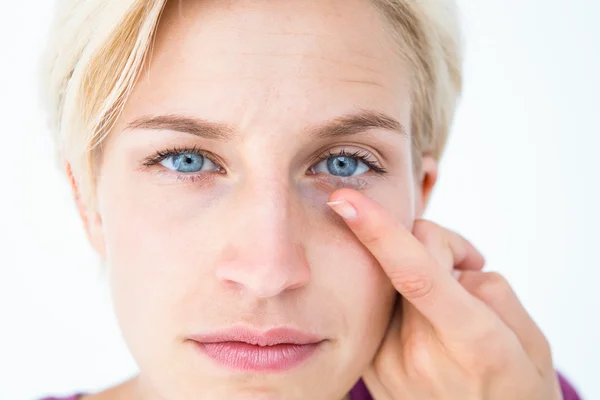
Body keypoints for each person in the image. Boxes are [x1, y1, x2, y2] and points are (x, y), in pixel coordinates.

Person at [40, 0, 581, 399]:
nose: (269, 271)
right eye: (188, 161)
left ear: (419, 195)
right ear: (87, 199)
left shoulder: (511, 388)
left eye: (342, 164)